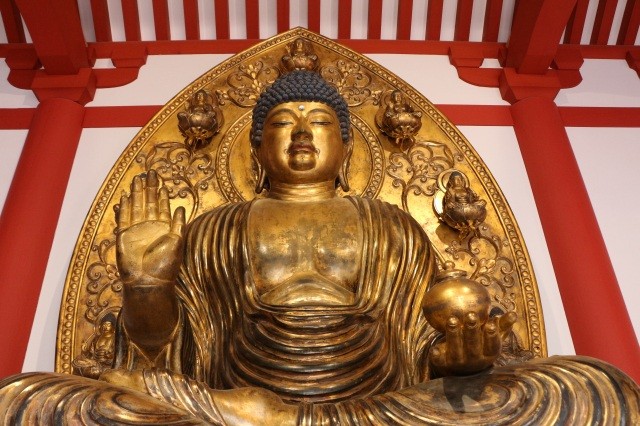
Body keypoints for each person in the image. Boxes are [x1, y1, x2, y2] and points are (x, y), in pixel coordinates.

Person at [0, 70, 637, 425]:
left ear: (347, 147)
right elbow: (165, 352)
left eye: (320, 122)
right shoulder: (215, 227)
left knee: (591, 388)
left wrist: (460, 360)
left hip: (377, 411)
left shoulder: (393, 226)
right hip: (230, 401)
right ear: (256, 148)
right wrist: (145, 285)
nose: (301, 135)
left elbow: (424, 344)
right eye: (282, 123)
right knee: (29, 402)